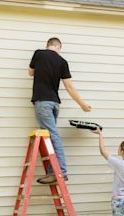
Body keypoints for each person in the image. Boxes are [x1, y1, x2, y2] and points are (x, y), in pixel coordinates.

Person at [29, 37, 91, 184]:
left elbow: (31, 73)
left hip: (43, 102)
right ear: (59, 47)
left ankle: (60, 172)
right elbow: (69, 87)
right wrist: (82, 105)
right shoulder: (62, 62)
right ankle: (53, 172)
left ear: (48, 45)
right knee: (51, 137)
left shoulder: (39, 54)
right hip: (55, 103)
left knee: (53, 137)